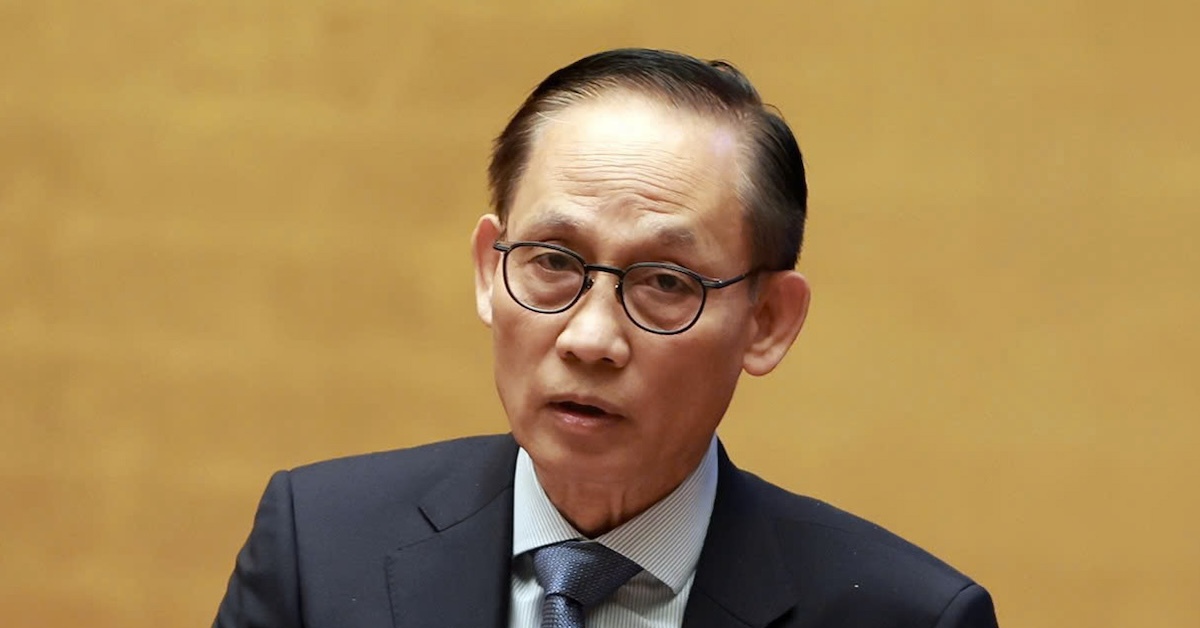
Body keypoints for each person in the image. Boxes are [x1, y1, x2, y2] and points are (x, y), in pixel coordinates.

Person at [214, 48, 1000, 628]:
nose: (591, 339)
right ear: (489, 270)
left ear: (767, 322)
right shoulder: (318, 547)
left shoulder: (905, 616)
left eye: (666, 282)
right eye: (553, 262)